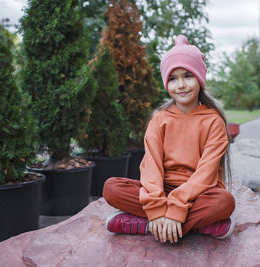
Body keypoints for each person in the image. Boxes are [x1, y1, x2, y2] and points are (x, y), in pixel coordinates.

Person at [103, 34, 235, 244]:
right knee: (111, 187)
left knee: (224, 202)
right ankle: (194, 225)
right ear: (166, 83)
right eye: (173, 78)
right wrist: (156, 207)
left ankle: (146, 225)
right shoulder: (160, 119)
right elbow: (151, 166)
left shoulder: (213, 121)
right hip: (161, 191)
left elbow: (206, 174)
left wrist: (177, 207)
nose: (180, 84)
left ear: (200, 78)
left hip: (198, 194)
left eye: (187, 76)